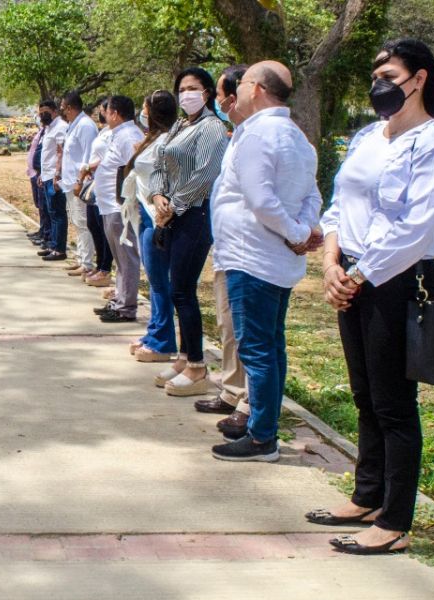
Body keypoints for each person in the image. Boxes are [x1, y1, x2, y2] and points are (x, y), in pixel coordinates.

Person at [309, 39, 434, 555]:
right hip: (352, 271)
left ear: (420, 78)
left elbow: (416, 228)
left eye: (391, 74)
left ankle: (395, 520)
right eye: (376, 75)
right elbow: (338, 204)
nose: (380, 84)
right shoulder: (367, 136)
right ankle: (367, 494)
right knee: (364, 393)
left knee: (394, 404)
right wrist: (331, 262)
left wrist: (357, 276)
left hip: (396, 280)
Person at [209, 61, 322, 462]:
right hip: (271, 258)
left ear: (255, 88)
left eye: (239, 85)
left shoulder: (259, 134)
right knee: (270, 348)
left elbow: (260, 200)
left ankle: (261, 438)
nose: (234, 93)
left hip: (251, 256)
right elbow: (312, 197)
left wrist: (297, 234)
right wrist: (305, 231)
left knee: (257, 350)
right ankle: (264, 430)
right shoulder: (295, 136)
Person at [149, 67, 229, 397]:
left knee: (183, 289)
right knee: (174, 287)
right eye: (182, 88)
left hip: (194, 215)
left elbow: (205, 174)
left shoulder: (212, 128)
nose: (186, 94)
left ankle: (197, 365)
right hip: (171, 213)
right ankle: (184, 357)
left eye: (193, 88)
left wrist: (173, 206)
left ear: (208, 93)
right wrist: (157, 196)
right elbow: (158, 164)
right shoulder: (181, 125)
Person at [196, 64, 252, 434]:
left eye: (218, 94)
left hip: (251, 252)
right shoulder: (238, 136)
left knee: (249, 332)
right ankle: (231, 390)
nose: (216, 101)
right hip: (227, 247)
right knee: (226, 324)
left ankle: (250, 404)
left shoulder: (259, 137)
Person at [126, 92, 179, 362]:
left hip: (157, 216)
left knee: (160, 282)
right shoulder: (153, 139)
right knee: (155, 280)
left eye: (144, 108)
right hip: (145, 214)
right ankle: (155, 331)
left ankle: (163, 341)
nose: (142, 113)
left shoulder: (168, 142)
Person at [87, 96, 144, 322]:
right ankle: (120, 300)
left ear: (115, 113)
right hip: (109, 205)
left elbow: (135, 171)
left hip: (119, 206)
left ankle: (126, 307)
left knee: (126, 258)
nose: (104, 115)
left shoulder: (129, 136)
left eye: (107, 111)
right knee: (120, 260)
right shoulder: (119, 135)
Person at [59, 91, 98, 274]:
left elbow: (88, 156)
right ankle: (81, 258)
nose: (61, 110)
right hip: (69, 183)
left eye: (63, 107)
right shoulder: (73, 125)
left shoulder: (85, 126)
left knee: (83, 223)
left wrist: (80, 181)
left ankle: (87, 263)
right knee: (77, 221)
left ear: (70, 107)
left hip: (79, 183)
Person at [79, 101, 113, 287]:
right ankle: (100, 265)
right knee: (94, 225)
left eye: (103, 110)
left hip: (105, 187)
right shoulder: (104, 131)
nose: (101, 113)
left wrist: (88, 167)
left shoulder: (113, 134)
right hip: (95, 184)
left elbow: (108, 158)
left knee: (103, 229)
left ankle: (105, 268)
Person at [36, 102, 68, 261]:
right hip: (47, 175)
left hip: (55, 178)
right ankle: (52, 245)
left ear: (55, 111)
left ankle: (59, 249)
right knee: (51, 212)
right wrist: (42, 174)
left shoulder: (61, 126)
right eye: (40, 113)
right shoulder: (48, 128)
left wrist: (57, 174)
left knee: (58, 213)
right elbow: (47, 155)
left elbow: (61, 152)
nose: (42, 115)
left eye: (45, 112)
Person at [26, 104, 52, 249]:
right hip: (35, 173)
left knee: (46, 207)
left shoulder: (51, 130)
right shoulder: (42, 131)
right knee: (40, 205)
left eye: (42, 113)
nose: (40, 116)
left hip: (43, 174)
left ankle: (47, 235)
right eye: (39, 113)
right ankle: (43, 231)